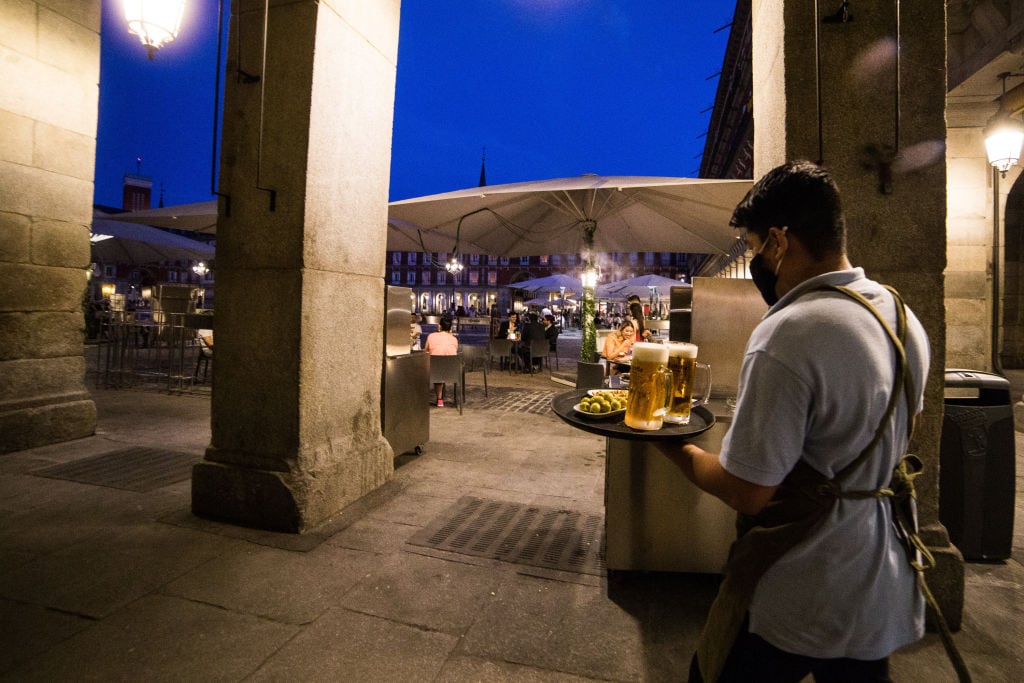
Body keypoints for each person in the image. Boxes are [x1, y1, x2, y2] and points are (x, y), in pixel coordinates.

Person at [659, 161, 930, 682]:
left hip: (801, 580)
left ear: (780, 241)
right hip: (879, 579)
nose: (755, 259)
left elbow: (747, 491)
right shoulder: (899, 315)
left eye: (754, 246)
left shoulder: (790, 330)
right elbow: (906, 430)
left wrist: (671, 444)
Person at [424, 314, 459, 407]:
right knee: (441, 365)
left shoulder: (431, 336)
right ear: (450, 328)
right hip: (452, 372)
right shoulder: (454, 339)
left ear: (439, 326)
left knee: (437, 366)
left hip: (435, 371)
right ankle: (441, 399)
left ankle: (439, 399)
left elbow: (426, 351)